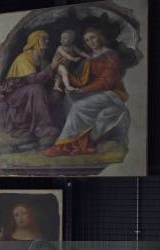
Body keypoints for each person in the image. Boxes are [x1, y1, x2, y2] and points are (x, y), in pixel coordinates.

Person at [44, 27, 130, 157]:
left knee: (79, 106)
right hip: (95, 92)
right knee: (70, 100)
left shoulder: (111, 55)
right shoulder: (89, 59)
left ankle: (62, 146)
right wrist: (64, 75)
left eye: (93, 37)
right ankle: (77, 145)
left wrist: (84, 90)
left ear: (99, 37)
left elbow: (106, 81)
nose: (91, 42)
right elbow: (82, 80)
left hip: (111, 93)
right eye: (87, 40)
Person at [0, 30, 66, 150]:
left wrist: (57, 80)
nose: (47, 42)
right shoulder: (23, 58)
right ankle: (43, 128)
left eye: (47, 39)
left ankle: (58, 130)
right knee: (36, 89)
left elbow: (51, 75)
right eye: (44, 39)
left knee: (55, 94)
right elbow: (33, 79)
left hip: (31, 92)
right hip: (14, 93)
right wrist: (52, 67)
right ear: (35, 41)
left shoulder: (41, 59)